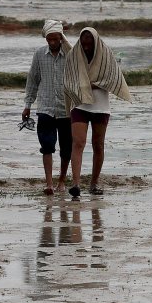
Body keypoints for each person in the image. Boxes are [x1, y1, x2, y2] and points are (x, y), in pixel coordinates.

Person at [63, 27, 131, 200]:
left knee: (98, 145)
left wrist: (87, 84)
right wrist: (84, 85)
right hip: (80, 106)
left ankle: (94, 183)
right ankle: (76, 184)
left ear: (95, 42)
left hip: (101, 107)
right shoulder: (74, 55)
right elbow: (70, 79)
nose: (86, 47)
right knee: (78, 143)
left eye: (89, 44)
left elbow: (111, 78)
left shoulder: (105, 55)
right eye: (83, 44)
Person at [23, 19, 73, 196]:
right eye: (49, 39)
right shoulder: (39, 55)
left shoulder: (70, 55)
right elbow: (33, 80)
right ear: (46, 39)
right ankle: (49, 183)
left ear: (61, 38)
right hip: (45, 108)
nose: (52, 42)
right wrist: (28, 105)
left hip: (66, 109)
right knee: (46, 145)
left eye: (55, 39)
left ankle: (62, 181)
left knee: (66, 147)